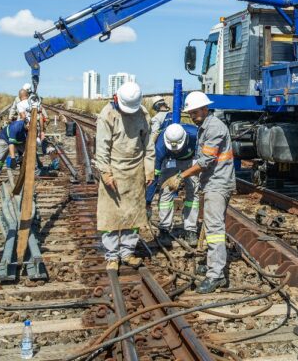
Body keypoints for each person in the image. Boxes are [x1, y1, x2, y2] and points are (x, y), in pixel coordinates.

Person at [164, 91, 235, 293]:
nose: (193, 116)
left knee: (214, 231)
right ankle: (215, 266)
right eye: (191, 113)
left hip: (218, 183)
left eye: (196, 112)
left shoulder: (214, 128)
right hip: (212, 182)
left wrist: (180, 176)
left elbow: (205, 162)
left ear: (205, 109)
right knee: (212, 227)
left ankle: (216, 275)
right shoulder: (205, 127)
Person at [95, 82, 155, 271]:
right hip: (113, 169)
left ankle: (128, 251)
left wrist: (149, 169)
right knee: (110, 215)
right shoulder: (108, 114)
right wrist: (105, 173)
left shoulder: (143, 114)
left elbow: (148, 145)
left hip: (135, 170)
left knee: (133, 214)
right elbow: (102, 147)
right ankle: (112, 255)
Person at [153, 123, 200, 247]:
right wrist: (147, 201)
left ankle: (191, 229)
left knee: (193, 194)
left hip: (192, 160)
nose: (177, 149)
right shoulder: (160, 146)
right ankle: (164, 228)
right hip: (170, 162)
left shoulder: (196, 135)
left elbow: (204, 159)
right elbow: (155, 176)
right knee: (165, 193)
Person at [0, 103, 29, 182]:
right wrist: (13, 158)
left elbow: (29, 144)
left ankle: (23, 176)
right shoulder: (16, 127)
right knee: (0, 158)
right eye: (29, 125)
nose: (30, 127)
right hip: (5, 139)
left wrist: (24, 154)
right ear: (25, 122)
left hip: (20, 140)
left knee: (28, 155)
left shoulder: (31, 129)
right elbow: (11, 144)